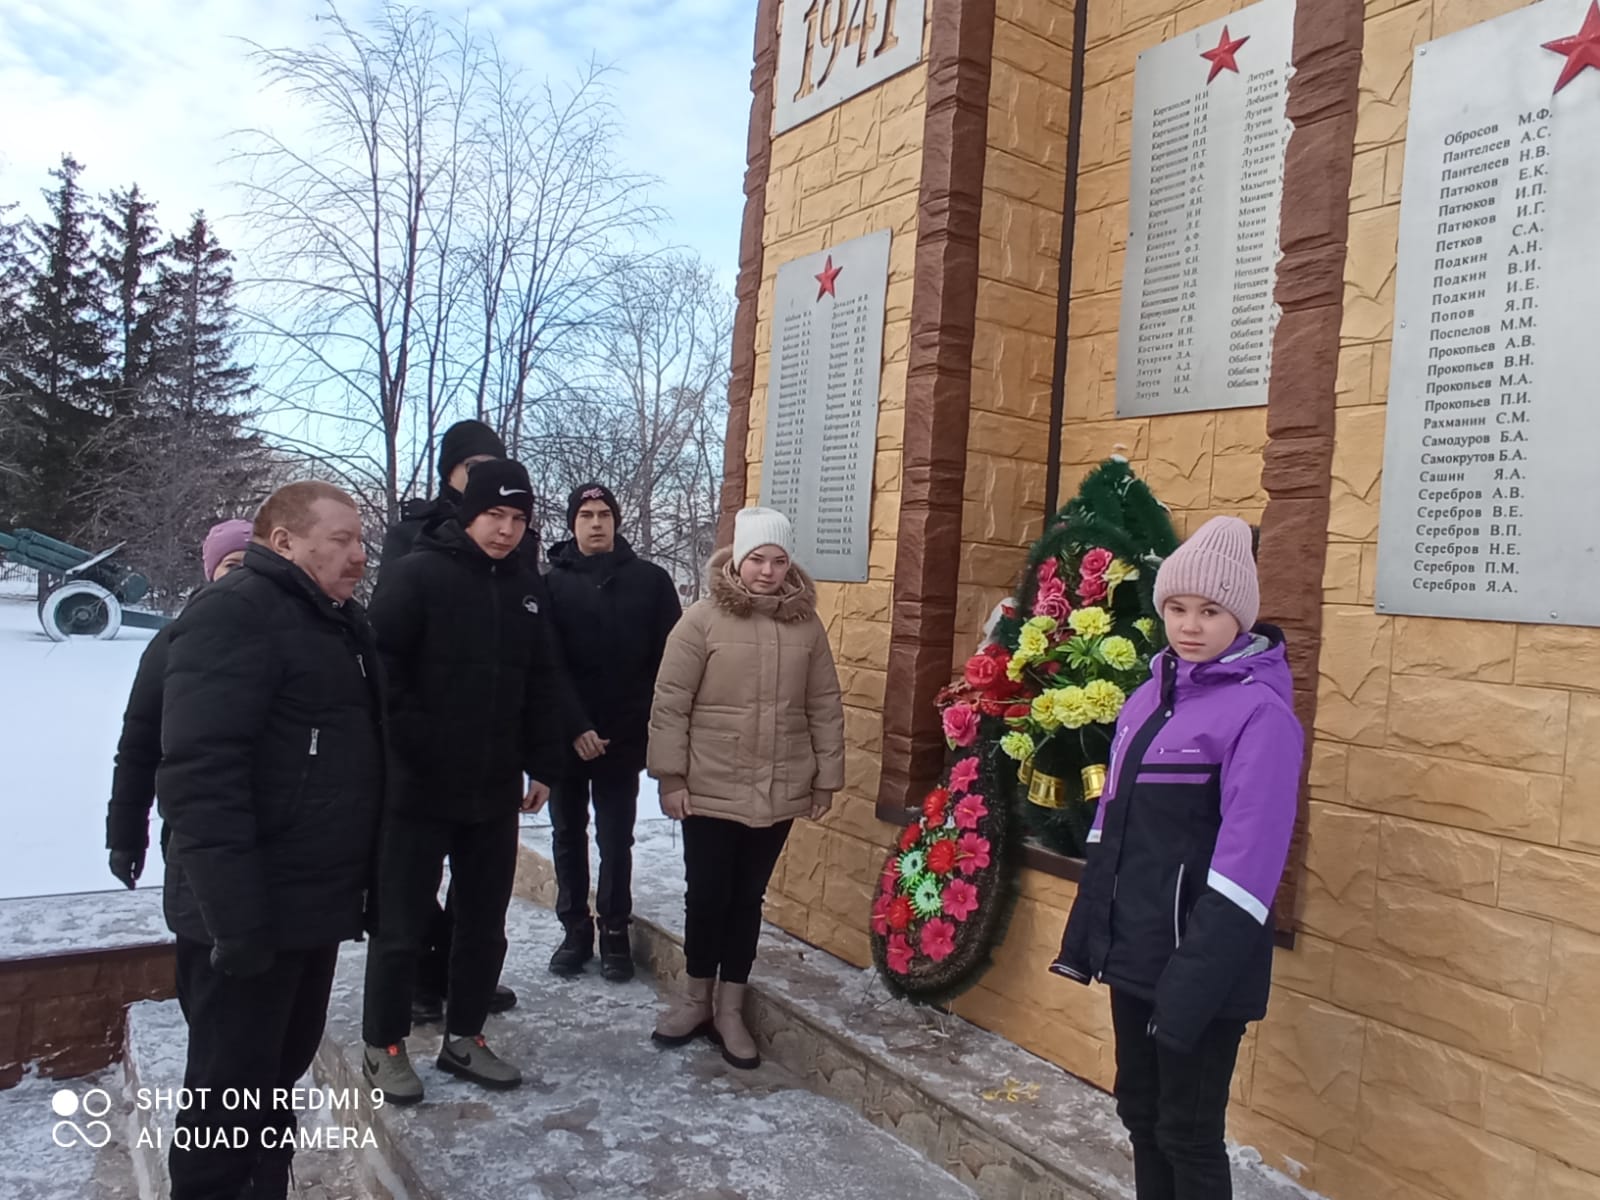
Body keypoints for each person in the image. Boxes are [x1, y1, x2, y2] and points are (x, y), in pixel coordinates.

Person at [1049, 516, 1302, 1200]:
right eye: (1177, 608)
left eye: (1211, 611)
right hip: (1137, 953)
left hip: (1203, 960)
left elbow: (1251, 862)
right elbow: (1112, 823)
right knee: (1141, 1116)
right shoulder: (1145, 700)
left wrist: (1195, 978)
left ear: (1240, 616)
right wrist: (1091, 932)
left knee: (1188, 1132)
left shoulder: (1261, 716)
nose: (1191, 626)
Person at [157, 483, 383, 1200]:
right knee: (225, 1103)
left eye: (361, 540)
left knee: (273, 1082)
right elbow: (201, 778)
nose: (359, 555)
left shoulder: (338, 623)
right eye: (342, 539)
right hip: (245, 917)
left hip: (307, 908)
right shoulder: (235, 614)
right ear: (282, 540)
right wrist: (236, 920)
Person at [361, 459, 565, 1103]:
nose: (505, 530)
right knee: (400, 926)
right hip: (418, 790)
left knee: (483, 922)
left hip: (493, 791)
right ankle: (384, 1045)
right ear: (467, 515)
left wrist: (545, 762)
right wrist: (414, 749)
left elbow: (540, 681)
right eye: (493, 516)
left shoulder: (526, 590)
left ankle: (465, 1037)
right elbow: (379, 676)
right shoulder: (415, 576)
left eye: (517, 519)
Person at [647, 507, 844, 1070]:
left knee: (746, 900)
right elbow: (670, 704)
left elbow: (824, 706)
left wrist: (825, 779)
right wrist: (671, 777)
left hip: (779, 789)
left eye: (779, 560)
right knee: (706, 896)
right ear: (737, 558)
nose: (767, 571)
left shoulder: (805, 626)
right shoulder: (700, 621)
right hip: (709, 788)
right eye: (758, 558)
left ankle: (730, 1008)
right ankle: (694, 1000)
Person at [378, 418, 526, 1023]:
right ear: (452, 475)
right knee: (412, 892)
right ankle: (421, 974)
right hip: (424, 755)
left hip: (489, 760)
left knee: (481, 895)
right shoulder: (412, 541)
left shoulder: (515, 548)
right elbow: (390, 655)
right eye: (473, 467)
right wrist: (415, 736)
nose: (506, 526)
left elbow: (530, 657)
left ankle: (464, 979)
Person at [544, 482, 681, 981]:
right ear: (572, 523)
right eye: (586, 515)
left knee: (616, 838)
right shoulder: (549, 586)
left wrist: (623, 728)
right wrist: (576, 725)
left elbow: (667, 665)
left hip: (622, 737)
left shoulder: (650, 581)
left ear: (617, 521)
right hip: (567, 736)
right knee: (566, 834)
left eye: (604, 514)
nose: (596, 523)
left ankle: (615, 930)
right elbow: (546, 663)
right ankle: (575, 928)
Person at [106, 519, 253, 889]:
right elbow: (139, 742)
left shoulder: (290, 638)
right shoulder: (174, 641)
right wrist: (126, 834)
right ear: (211, 572)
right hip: (195, 842)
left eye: (252, 566)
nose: (242, 578)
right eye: (232, 566)